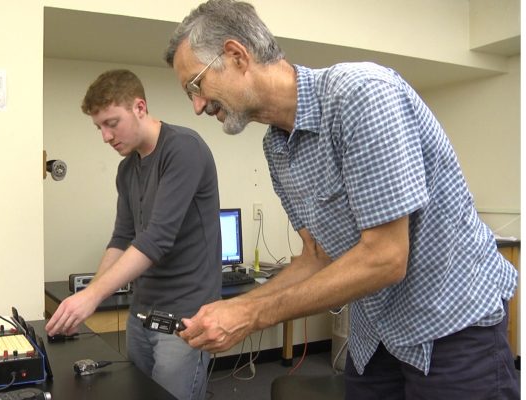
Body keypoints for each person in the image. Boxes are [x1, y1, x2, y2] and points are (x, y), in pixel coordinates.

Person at [163, 1, 520, 398]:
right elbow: (318, 257)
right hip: (378, 334)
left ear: (236, 55)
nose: (196, 106)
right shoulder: (276, 148)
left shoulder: (362, 94)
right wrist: (233, 308)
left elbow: (386, 257)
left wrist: (250, 315)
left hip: (452, 325)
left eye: (195, 86)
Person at [45, 69, 221, 400]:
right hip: (142, 313)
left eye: (112, 123)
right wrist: (91, 295)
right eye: (99, 127)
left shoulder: (183, 149)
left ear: (139, 107)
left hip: (185, 316)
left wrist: (93, 295)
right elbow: (122, 237)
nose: (106, 136)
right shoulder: (127, 169)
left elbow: (156, 239)